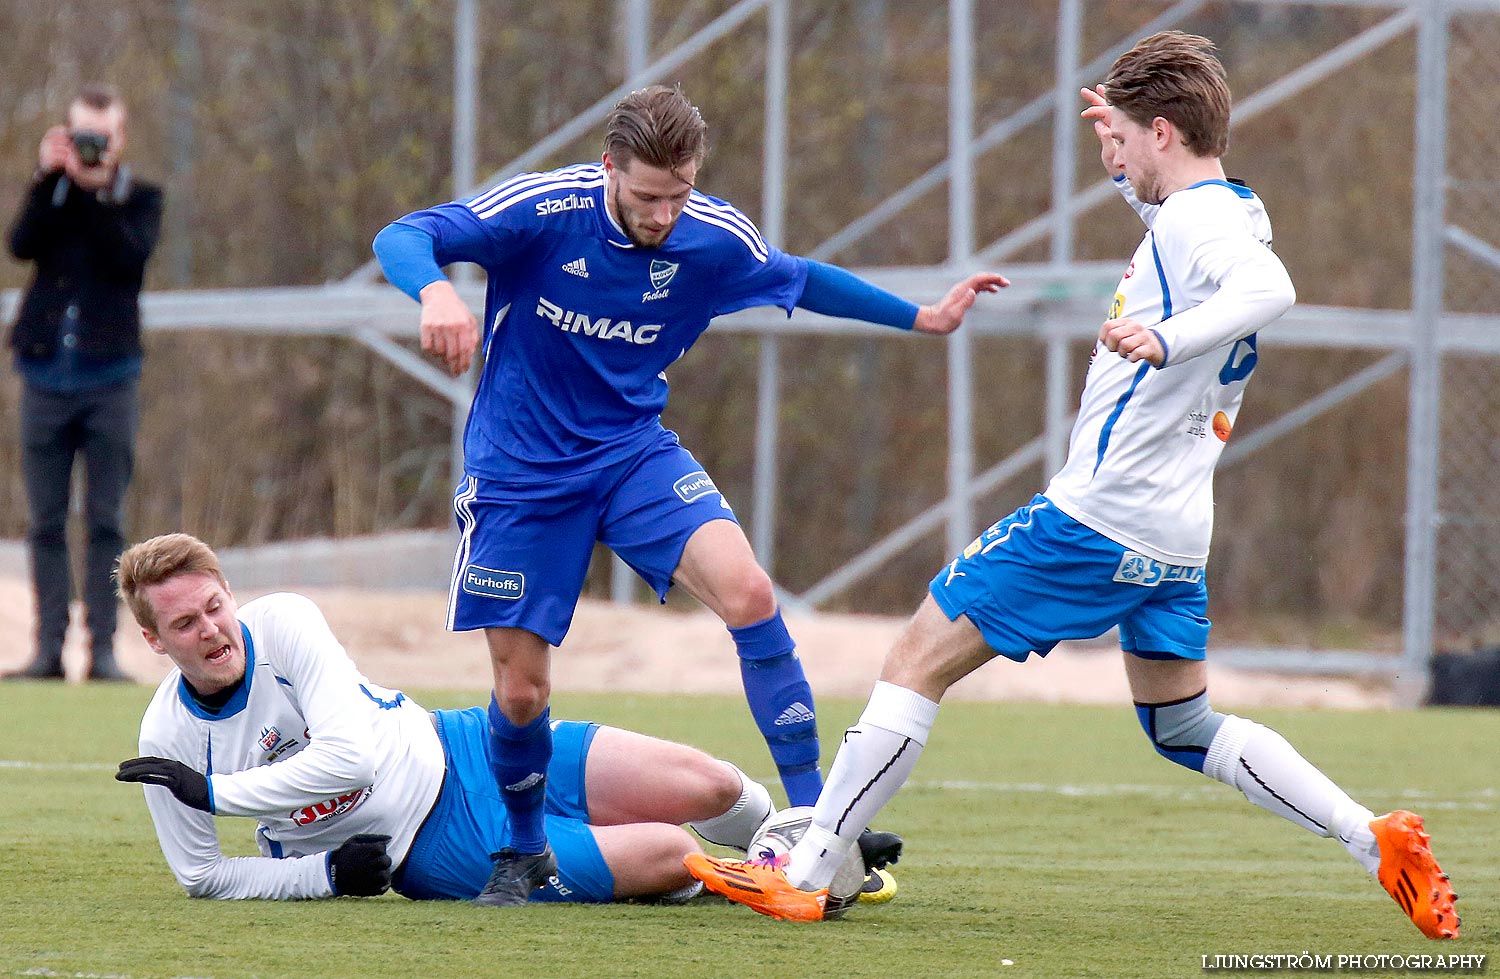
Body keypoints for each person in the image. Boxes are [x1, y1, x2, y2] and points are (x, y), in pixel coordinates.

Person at [684, 32, 1460, 940]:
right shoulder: (1234, 207)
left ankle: (807, 871)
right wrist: (1131, 150)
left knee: (916, 658)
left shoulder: (1200, 225)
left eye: (1120, 146)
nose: (1113, 165)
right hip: (1175, 531)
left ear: (1163, 132)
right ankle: (1374, 839)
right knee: (1183, 723)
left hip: (1096, 518)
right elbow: (1214, 245)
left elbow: (1269, 287)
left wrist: (1167, 339)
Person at [371, 83, 1007, 903]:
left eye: (679, 194)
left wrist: (923, 317)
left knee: (749, 591)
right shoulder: (543, 211)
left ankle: (817, 826)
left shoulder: (711, 237)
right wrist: (433, 290)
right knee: (522, 689)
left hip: (633, 455)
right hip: (521, 476)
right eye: (646, 196)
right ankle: (523, 850)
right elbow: (406, 232)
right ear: (609, 169)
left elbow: (800, 278)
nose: (663, 214)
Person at [112, 532, 779, 904]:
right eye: (183, 623)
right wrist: (322, 875)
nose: (209, 629)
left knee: (712, 784)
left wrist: (216, 791)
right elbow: (202, 875)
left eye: (213, 606)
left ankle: (796, 841)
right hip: (434, 848)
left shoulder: (283, 621)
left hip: (466, 744)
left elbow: (353, 758)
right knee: (673, 850)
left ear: (231, 594)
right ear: (154, 641)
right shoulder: (167, 737)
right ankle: (723, 883)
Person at [4, 84, 163, 682]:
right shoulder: (56, 194)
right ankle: (47, 649)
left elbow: (128, 258)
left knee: (105, 518)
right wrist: (50, 179)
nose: (92, 149)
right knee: (44, 519)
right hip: (44, 373)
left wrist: (95, 194)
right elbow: (21, 244)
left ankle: (102, 649)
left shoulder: (141, 200)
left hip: (110, 378)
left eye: (101, 137)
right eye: (82, 137)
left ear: (121, 139)